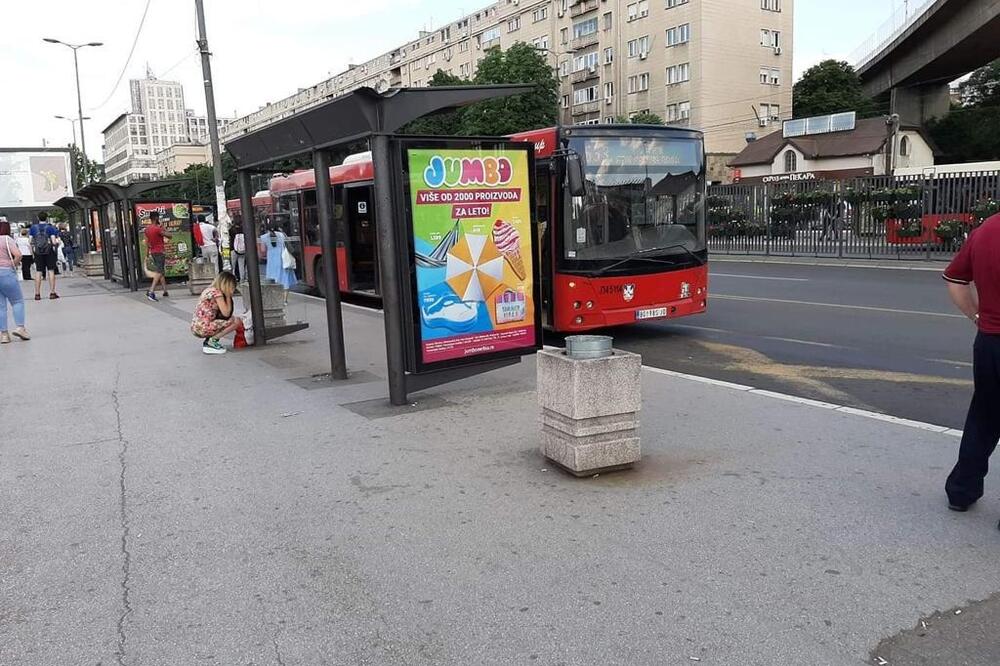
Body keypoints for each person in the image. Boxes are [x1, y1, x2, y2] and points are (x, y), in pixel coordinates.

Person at [943, 211, 1000, 523]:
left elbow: (955, 280)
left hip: (990, 341)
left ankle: (961, 492)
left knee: (983, 417)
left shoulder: (985, 229)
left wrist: (978, 317)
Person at [191, 270, 241, 355]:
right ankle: (212, 341)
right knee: (236, 321)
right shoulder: (217, 294)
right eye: (232, 287)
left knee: (230, 320)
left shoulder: (209, 290)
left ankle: (210, 340)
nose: (233, 290)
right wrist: (228, 297)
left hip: (197, 326)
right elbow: (226, 313)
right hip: (203, 327)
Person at [0, 219, 30, 344]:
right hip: (6, 272)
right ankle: (20, 328)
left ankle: (4, 335)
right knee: (17, 301)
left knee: (1, 306)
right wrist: (13, 264)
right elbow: (18, 255)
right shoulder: (7, 239)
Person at [258, 221, 297, 298]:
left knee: (273, 280)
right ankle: (285, 300)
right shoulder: (282, 235)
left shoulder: (264, 237)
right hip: (283, 259)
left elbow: (263, 250)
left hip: (271, 261)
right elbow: (288, 245)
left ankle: (276, 298)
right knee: (284, 280)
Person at [29, 212, 60, 300]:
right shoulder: (50, 228)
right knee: (51, 271)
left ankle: (37, 294)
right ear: (46, 218)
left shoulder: (33, 228)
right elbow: (54, 242)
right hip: (49, 252)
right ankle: (52, 293)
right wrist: (57, 242)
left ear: (38, 218)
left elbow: (30, 241)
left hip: (38, 252)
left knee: (38, 271)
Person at [143, 211, 172, 302]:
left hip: (153, 252)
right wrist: (163, 228)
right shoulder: (158, 229)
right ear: (156, 218)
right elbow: (170, 236)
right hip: (160, 251)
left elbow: (147, 243)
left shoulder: (147, 229)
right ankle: (151, 291)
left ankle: (165, 290)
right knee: (159, 271)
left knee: (160, 270)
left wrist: (147, 253)